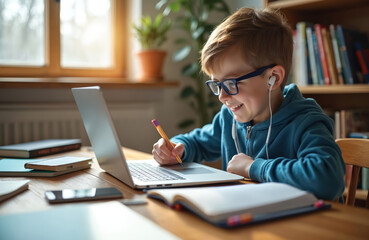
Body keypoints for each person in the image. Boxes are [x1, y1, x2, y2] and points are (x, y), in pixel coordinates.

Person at [152, 7, 345, 200]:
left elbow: (327, 179)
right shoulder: (229, 118)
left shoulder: (306, 122)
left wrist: (252, 167)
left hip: (298, 226)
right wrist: (177, 147)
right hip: (247, 218)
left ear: (273, 78)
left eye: (230, 83)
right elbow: (198, 142)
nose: (222, 96)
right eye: (217, 84)